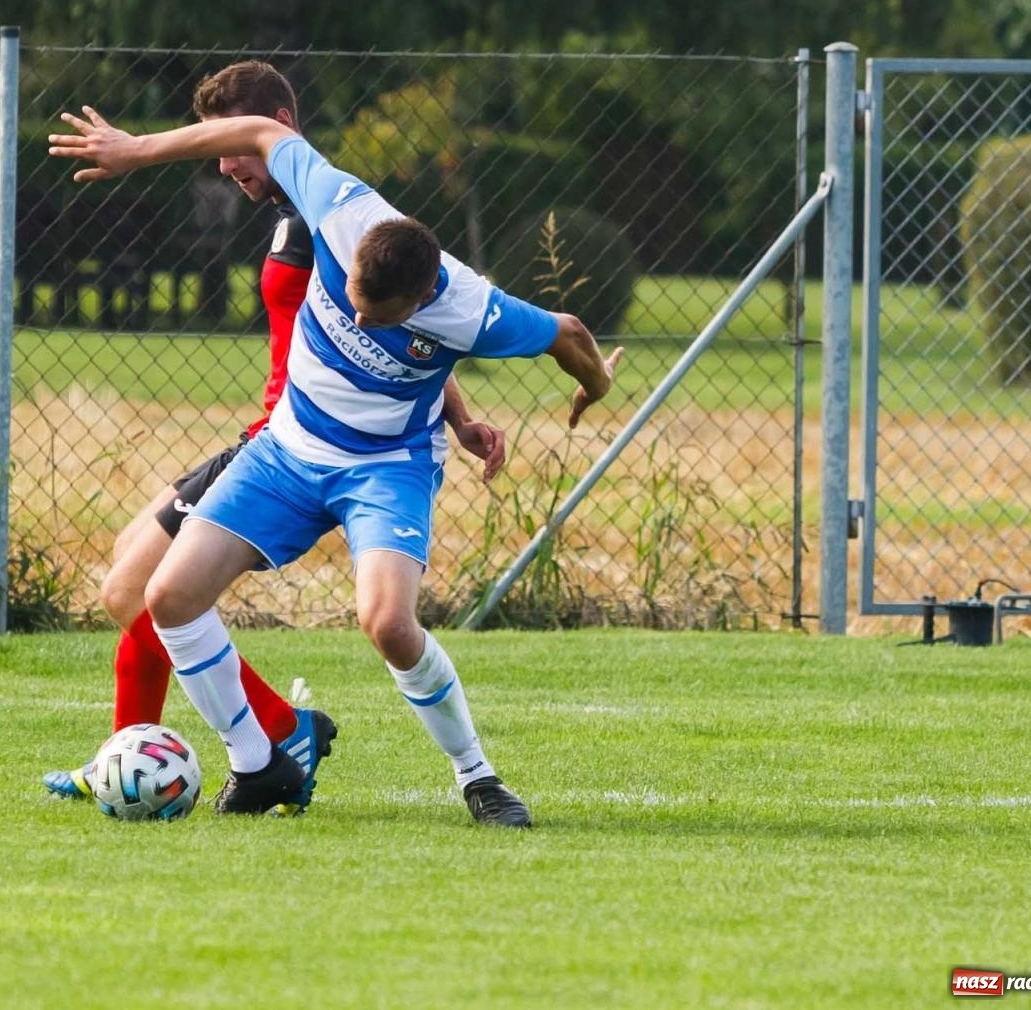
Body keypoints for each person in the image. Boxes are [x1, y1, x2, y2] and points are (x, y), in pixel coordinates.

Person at [50, 101, 622, 827]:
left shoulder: (478, 313)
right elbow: (262, 129)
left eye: (374, 316)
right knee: (168, 597)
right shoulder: (340, 205)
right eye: (347, 300)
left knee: (386, 622)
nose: (353, 320)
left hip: (388, 468)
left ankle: (477, 776)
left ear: (421, 301)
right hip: (287, 449)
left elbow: (568, 332)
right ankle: (260, 764)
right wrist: (139, 148)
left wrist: (596, 386)